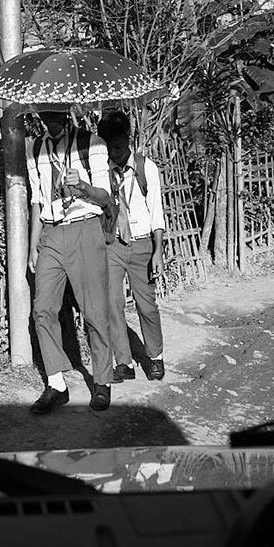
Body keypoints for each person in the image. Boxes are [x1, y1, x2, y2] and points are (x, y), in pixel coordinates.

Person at [25, 110, 117, 413]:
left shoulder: (92, 144)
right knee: (42, 309)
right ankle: (56, 384)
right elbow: (37, 199)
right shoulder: (35, 148)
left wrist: (83, 187)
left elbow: (105, 198)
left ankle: (101, 381)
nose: (49, 118)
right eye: (44, 111)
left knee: (94, 310)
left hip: (85, 229)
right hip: (51, 233)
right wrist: (32, 247)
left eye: (55, 111)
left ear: (66, 109)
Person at [95, 110, 166, 382]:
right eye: (109, 147)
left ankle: (155, 357)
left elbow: (157, 212)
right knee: (113, 304)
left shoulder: (146, 168)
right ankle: (124, 362)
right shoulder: (102, 172)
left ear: (128, 139)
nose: (114, 152)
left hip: (142, 244)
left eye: (118, 146)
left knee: (146, 304)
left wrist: (158, 251)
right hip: (113, 244)